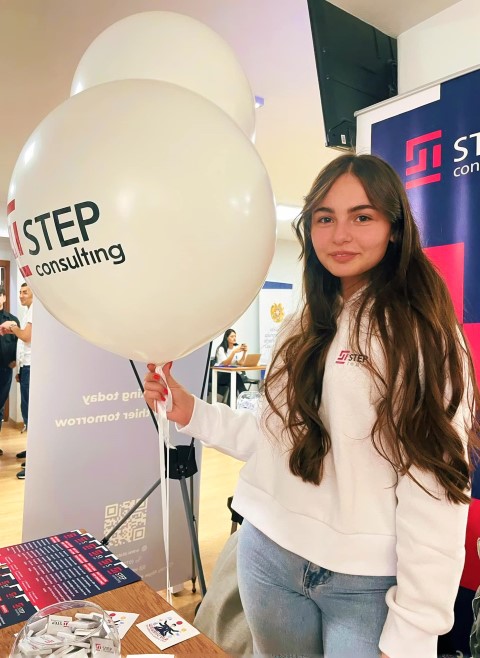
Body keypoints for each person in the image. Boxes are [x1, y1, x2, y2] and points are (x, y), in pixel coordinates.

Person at [144, 154, 478, 658]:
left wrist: (414, 630)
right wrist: (194, 412)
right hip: (268, 555)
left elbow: (435, 487)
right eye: (325, 218)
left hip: (365, 584)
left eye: (361, 217)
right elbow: (275, 436)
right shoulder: (301, 323)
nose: (340, 234)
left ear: (394, 228)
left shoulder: (422, 335)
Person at [2, 283, 33, 480]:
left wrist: (12, 327)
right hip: (26, 368)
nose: (21, 296)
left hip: (31, 368)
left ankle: (34, 462)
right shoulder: (28, 312)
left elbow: (26, 337)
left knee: (31, 413)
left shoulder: (33, 312)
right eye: (20, 292)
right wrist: (21, 368)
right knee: (26, 411)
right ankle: (32, 452)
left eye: (25, 292)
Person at [0, 286, 19, 454]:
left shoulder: (13, 320)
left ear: (4, 298)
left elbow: (18, 343)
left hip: (4, 370)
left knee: (0, 407)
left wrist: (14, 360)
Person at [213, 329, 248, 400]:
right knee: (236, 377)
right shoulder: (221, 349)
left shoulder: (236, 348)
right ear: (226, 338)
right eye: (232, 336)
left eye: (235, 336)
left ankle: (232, 404)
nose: (234, 338)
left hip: (232, 375)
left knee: (233, 382)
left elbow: (240, 363)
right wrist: (233, 353)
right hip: (221, 375)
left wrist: (244, 353)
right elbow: (226, 363)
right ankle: (245, 396)